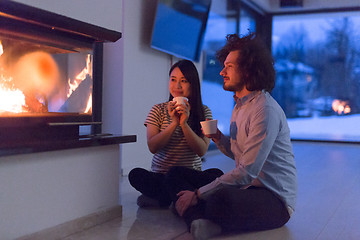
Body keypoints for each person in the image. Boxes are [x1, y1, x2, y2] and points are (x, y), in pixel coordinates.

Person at [164, 33, 298, 239]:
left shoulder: (265, 110)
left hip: (274, 200)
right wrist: (218, 137)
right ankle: (201, 219)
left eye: (229, 67)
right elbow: (238, 153)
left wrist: (198, 194)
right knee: (176, 174)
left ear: (247, 70)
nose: (221, 71)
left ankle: (193, 213)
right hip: (246, 187)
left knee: (219, 197)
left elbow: (246, 171)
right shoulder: (240, 104)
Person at [128, 59, 223, 208]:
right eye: (173, 80)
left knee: (217, 174)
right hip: (162, 176)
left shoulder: (204, 111)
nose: (177, 86)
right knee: (135, 174)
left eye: (184, 81)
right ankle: (183, 197)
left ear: (193, 84)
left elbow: (202, 151)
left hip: (188, 176)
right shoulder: (157, 110)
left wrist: (184, 124)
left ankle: (163, 199)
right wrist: (174, 124)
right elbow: (152, 147)